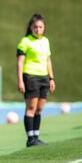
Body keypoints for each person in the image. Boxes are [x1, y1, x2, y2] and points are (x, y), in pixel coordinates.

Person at [17, 14, 56, 147]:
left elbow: (48, 60)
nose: (38, 29)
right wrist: (21, 80)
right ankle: (30, 139)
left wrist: (51, 78)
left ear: (44, 28)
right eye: (35, 27)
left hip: (44, 77)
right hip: (30, 77)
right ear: (31, 27)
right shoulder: (25, 41)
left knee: (39, 109)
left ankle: (36, 136)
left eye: (40, 27)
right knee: (31, 107)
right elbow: (20, 63)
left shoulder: (46, 41)